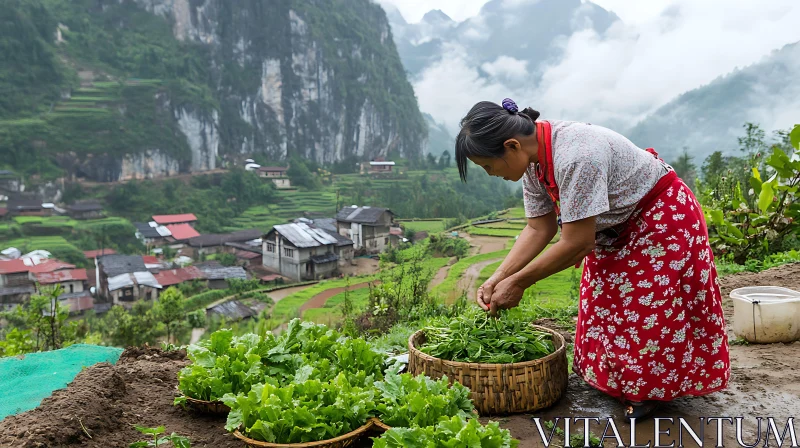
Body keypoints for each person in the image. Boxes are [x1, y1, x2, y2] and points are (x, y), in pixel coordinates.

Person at [455, 98, 730, 420]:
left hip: (660, 219)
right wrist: (498, 278)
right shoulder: (533, 163)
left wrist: (519, 282)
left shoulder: (577, 157)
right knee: (606, 302)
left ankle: (648, 392)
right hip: (614, 225)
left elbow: (577, 242)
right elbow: (538, 227)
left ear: (512, 146)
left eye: (489, 166)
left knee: (647, 311)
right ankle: (620, 380)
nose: (491, 174)